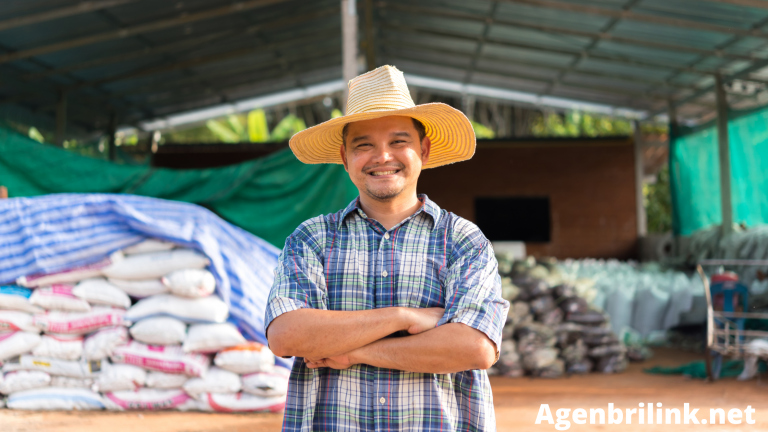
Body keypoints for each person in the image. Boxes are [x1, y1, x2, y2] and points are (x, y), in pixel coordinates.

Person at [265, 65, 510, 431]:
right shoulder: (311, 239)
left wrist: (353, 352)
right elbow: (287, 335)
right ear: (345, 157)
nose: (382, 157)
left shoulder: (463, 240)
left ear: (423, 150)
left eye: (399, 142)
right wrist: (405, 317)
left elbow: (473, 347)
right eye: (364, 145)